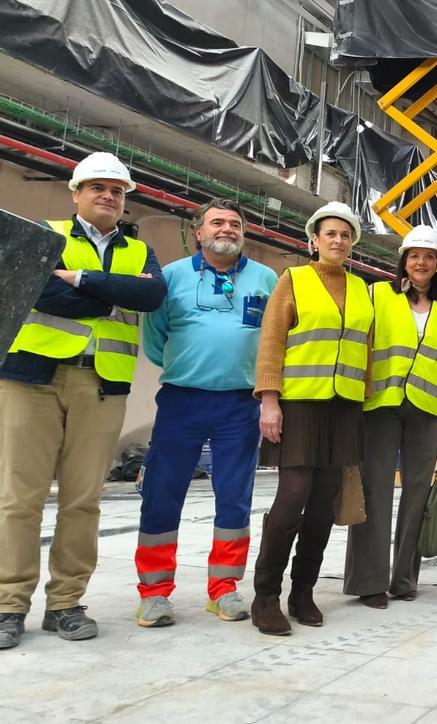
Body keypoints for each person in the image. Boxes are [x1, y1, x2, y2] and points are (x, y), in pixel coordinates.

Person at [0, 152, 166, 649]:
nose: (108, 196)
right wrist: (113, 294)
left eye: (117, 190)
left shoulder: (141, 253)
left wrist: (79, 280)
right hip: (32, 378)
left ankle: (66, 604)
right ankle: (8, 604)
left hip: (102, 384)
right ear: (76, 193)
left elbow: (152, 297)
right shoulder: (44, 234)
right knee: (18, 498)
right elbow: (36, 293)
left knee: (82, 501)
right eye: (97, 187)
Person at [134, 199, 278, 627]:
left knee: (234, 496)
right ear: (198, 231)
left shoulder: (264, 278)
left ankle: (225, 589)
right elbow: (156, 339)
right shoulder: (173, 276)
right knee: (163, 492)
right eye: (218, 222)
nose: (228, 229)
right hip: (183, 400)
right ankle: (155, 592)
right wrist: (193, 366)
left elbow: (272, 341)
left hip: (241, 403)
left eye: (236, 224)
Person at [250, 201, 372, 636]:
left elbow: (368, 350)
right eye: (330, 234)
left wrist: (367, 400)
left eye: (345, 235)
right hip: (300, 402)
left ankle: (303, 591)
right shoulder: (294, 280)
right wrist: (269, 400)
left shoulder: (363, 288)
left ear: (352, 242)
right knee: (293, 494)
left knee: (324, 503)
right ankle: (265, 595)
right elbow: (271, 342)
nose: (338, 241)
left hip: (345, 405)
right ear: (314, 240)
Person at [344, 225, 437, 607]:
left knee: (417, 495)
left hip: (429, 410)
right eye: (414, 256)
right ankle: (370, 581)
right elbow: (359, 341)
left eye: (429, 257)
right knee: (374, 491)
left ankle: (404, 579)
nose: (421, 263)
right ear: (403, 262)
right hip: (380, 404)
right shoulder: (378, 294)